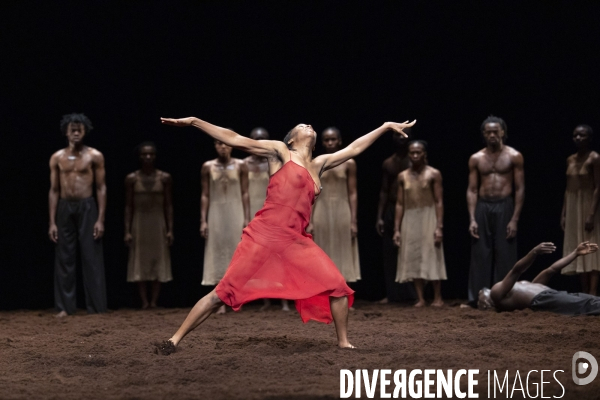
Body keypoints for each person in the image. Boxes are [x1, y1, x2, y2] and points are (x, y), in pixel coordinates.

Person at [157, 116, 415, 353]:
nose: (309, 126)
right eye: (302, 126)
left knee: (338, 287)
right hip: (264, 235)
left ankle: (343, 342)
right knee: (222, 293)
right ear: (291, 138)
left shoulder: (319, 164)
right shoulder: (280, 152)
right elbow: (235, 138)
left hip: (295, 241)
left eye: (310, 125)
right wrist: (194, 122)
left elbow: (354, 148)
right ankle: (173, 339)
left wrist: (384, 127)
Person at [48, 113, 107, 317]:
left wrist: (100, 219)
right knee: (64, 257)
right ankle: (65, 307)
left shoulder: (94, 156)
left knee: (91, 256)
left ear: (85, 131)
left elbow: (101, 188)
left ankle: (96, 307)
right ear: (66, 132)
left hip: (87, 207)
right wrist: (52, 222)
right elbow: (54, 190)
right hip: (65, 207)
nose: (75, 133)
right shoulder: (57, 157)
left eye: (79, 129)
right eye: (72, 129)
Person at [467, 115, 524, 306]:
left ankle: (506, 297)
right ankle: (478, 298)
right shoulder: (476, 158)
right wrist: (472, 219)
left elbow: (520, 189)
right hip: (483, 206)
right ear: (483, 134)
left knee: (505, 252)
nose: (492, 135)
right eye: (488, 132)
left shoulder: (514, 156)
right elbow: (472, 189)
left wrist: (514, 219)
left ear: (503, 132)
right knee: (480, 254)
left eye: (495, 131)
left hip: (504, 206)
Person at [478, 241, 600, 315]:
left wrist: (575, 253)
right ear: (488, 303)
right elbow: (516, 270)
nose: (481, 293)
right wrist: (534, 252)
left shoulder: (531, 285)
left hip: (551, 295)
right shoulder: (496, 294)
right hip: (543, 300)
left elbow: (551, 269)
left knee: (588, 299)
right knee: (587, 305)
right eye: (480, 298)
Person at [393, 141, 446, 307]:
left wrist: (439, 226)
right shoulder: (403, 176)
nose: (415, 155)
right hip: (410, 217)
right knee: (414, 255)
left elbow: (438, 201)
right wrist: (396, 229)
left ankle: (437, 297)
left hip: (428, 215)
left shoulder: (434, 174)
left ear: (424, 154)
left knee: (432, 254)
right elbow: (400, 204)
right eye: (412, 152)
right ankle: (420, 297)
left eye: (418, 152)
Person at [244, 127, 290, 312]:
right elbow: (243, 192)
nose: (260, 141)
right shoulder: (243, 164)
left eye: (264, 138)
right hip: (255, 209)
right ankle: (265, 299)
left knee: (279, 255)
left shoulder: (277, 161)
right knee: (260, 257)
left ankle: (285, 300)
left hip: (273, 209)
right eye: (257, 138)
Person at [201, 139, 250, 314]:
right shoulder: (208, 166)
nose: (223, 146)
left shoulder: (241, 165)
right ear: (215, 145)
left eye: (226, 143)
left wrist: (246, 218)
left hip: (235, 211)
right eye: (219, 144)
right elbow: (205, 194)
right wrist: (203, 220)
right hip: (216, 213)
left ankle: (237, 298)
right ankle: (219, 299)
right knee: (217, 251)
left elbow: (245, 192)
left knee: (236, 252)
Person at [307, 127, 361, 285]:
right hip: (321, 209)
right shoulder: (315, 163)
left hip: (342, 208)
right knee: (321, 247)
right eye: (326, 140)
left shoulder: (349, 163)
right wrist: (309, 220)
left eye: (333, 139)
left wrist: (353, 220)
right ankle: (323, 293)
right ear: (322, 142)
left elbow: (352, 192)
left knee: (343, 247)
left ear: (339, 140)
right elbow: (312, 193)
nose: (330, 143)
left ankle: (343, 293)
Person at [125, 142, 174, 309]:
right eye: (144, 154)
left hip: (157, 221)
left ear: (155, 156)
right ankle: (144, 302)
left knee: (157, 260)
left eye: (151, 154)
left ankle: (154, 301)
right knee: (140, 260)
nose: (147, 157)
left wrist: (170, 229)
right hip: (139, 222)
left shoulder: (164, 177)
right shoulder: (132, 178)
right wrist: (127, 230)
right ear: (139, 156)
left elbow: (168, 205)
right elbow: (128, 206)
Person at [376, 127, 415, 303]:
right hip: (392, 208)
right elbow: (384, 191)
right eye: (397, 134)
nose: (400, 137)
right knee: (390, 252)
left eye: (404, 134)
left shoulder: (415, 159)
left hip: (412, 208)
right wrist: (380, 216)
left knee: (412, 249)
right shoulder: (388, 163)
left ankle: (414, 294)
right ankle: (392, 294)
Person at [561, 125, 600, 295]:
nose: (578, 138)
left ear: (589, 138)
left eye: (582, 135)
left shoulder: (595, 158)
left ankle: (592, 293)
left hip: (589, 203)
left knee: (591, 246)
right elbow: (567, 188)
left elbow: (598, 187)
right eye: (575, 135)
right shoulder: (570, 159)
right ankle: (584, 292)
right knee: (578, 246)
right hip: (572, 204)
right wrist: (563, 213)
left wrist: (591, 213)